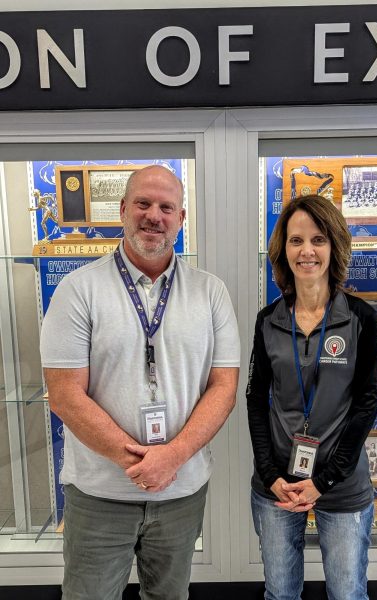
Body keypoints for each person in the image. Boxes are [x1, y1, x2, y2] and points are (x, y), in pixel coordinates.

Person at [40, 165, 240, 600]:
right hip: (98, 494)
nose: (154, 216)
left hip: (181, 492)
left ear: (181, 219)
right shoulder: (78, 290)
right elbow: (64, 393)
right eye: (144, 204)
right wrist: (140, 462)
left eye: (167, 207)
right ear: (123, 210)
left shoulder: (211, 293)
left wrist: (172, 458)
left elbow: (224, 387)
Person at [246, 194, 377, 600]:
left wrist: (324, 480)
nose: (306, 251)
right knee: (281, 593)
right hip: (279, 487)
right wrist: (271, 476)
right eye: (296, 240)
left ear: (333, 246)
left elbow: (366, 404)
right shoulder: (268, 320)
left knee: (346, 593)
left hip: (340, 486)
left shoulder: (361, 318)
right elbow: (256, 401)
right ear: (282, 250)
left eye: (318, 240)